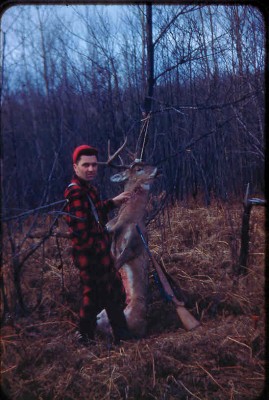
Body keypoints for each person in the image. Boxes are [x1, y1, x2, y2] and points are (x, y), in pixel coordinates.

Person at [64, 144, 132, 345]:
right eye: (86, 165)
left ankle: (101, 337)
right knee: (101, 295)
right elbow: (81, 231)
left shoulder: (90, 189)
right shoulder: (75, 193)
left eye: (94, 165)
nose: (91, 169)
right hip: (90, 256)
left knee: (104, 294)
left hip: (100, 253)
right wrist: (99, 253)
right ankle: (98, 338)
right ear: (75, 167)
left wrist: (113, 202)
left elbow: (94, 213)